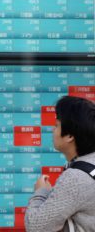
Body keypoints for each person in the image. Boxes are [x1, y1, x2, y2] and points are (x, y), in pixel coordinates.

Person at [25, 96, 95, 232]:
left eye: (57, 125)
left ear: (69, 136)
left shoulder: (76, 177)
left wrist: (41, 192)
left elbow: (35, 227)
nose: (53, 130)